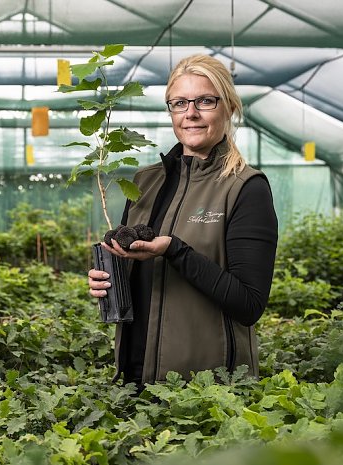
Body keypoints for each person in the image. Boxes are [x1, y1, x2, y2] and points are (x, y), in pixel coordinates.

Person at [88, 54, 278, 386]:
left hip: (205, 391)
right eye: (179, 103)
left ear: (229, 107)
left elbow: (249, 305)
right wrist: (109, 277)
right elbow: (137, 274)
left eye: (205, 101)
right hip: (132, 380)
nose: (190, 113)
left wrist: (176, 251)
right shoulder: (145, 181)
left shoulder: (245, 188)